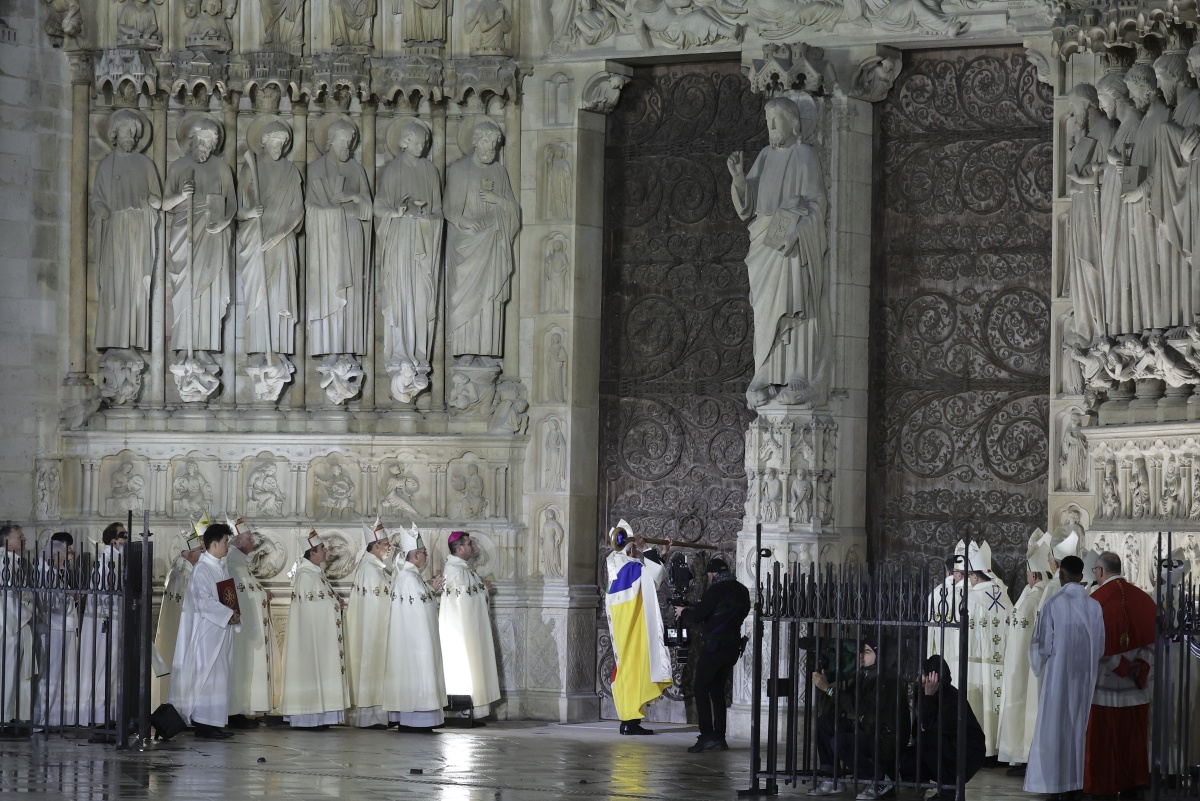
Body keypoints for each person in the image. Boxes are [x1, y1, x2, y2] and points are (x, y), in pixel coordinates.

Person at [728, 94, 829, 407]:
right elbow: (747, 208)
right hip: (764, 243)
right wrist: (740, 181)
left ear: (793, 123)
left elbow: (816, 202)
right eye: (768, 120)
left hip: (793, 242)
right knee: (766, 305)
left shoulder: (805, 154)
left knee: (797, 302)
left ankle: (800, 371)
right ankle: (765, 372)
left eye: (777, 120)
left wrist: (798, 232)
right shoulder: (764, 156)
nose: (771, 126)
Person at [1024, 555, 1105, 800]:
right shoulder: (1094, 606)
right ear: (1082, 578)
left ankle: (1056, 783)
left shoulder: (1053, 604)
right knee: (1080, 728)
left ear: (1061, 576)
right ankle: (1078, 781)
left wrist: (1038, 663)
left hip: (1059, 679)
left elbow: (1041, 646)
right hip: (1085, 679)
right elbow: (1100, 646)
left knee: (1056, 728)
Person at [444, 120, 520, 361]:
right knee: (463, 295)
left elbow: (513, 210)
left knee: (490, 295)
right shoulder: (459, 170)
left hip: (493, 242)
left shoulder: (499, 171)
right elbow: (449, 208)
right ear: (476, 142)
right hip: (467, 243)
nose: (492, 148)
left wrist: (497, 199)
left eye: (495, 144)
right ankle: (464, 351)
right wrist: (465, 222)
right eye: (487, 142)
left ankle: (486, 349)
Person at [1084, 551, 1157, 798]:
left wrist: (1121, 665)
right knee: (1132, 742)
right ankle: (1134, 784)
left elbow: (1094, 644)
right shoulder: (1145, 600)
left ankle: (1101, 785)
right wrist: (1139, 667)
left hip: (1104, 687)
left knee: (1103, 743)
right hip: (1135, 689)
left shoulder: (1095, 600)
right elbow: (1154, 641)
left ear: (1101, 572)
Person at [807, 638, 908, 800]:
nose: (861, 656)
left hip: (884, 738)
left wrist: (828, 689)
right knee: (825, 723)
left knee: (841, 742)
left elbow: (859, 707)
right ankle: (832, 779)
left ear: (879, 656)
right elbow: (838, 707)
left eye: (867, 652)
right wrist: (826, 686)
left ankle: (879, 780)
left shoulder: (887, 678)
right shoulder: (865, 674)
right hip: (868, 729)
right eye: (860, 651)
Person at [169, 522, 240, 739]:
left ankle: (214, 722)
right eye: (226, 542)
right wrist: (228, 615)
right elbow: (203, 601)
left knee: (220, 676)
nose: (228, 546)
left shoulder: (221, 566)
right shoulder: (202, 569)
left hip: (221, 630)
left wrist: (234, 613)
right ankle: (203, 724)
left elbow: (227, 597)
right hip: (208, 632)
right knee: (207, 676)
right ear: (215, 544)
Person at [674, 556, 750, 753]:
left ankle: (706, 735)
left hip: (714, 647)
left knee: (700, 688)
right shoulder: (741, 589)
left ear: (713, 573)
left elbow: (698, 617)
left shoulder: (716, 589)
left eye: (709, 574)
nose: (708, 577)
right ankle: (719, 737)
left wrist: (683, 612)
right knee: (717, 690)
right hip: (732, 647)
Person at [604, 520, 672, 736]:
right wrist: (647, 549)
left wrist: (660, 553)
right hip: (634, 627)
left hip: (623, 627)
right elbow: (654, 577)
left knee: (627, 668)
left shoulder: (615, 565)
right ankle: (629, 721)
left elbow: (650, 574)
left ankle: (630, 720)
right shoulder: (631, 567)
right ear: (631, 547)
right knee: (634, 670)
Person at [279, 530, 349, 729]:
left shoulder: (317, 574)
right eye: (321, 548)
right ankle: (309, 718)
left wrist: (336, 602)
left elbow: (323, 602)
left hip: (319, 638)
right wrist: (335, 605)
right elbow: (309, 610)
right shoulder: (305, 576)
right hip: (310, 641)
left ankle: (322, 718)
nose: (325, 550)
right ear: (312, 553)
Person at [996, 530, 1051, 775]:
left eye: (1029, 572)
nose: (1026, 576)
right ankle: (1018, 754)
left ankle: (1025, 754)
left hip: (1025, 665)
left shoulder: (1034, 597)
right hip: (1019, 664)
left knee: (1027, 707)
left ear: (1035, 574)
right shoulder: (1033, 595)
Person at [383, 525, 447, 730]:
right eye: (424, 554)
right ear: (416, 556)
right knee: (418, 674)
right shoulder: (409, 578)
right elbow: (421, 608)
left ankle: (414, 720)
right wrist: (432, 590)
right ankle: (416, 720)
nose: (426, 557)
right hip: (416, 643)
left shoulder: (407, 576)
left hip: (409, 641)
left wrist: (429, 588)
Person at [897, 655, 986, 801]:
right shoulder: (930, 694)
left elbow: (931, 726)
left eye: (924, 674)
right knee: (908, 755)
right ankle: (921, 783)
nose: (919, 678)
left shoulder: (951, 698)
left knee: (926, 741)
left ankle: (948, 792)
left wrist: (927, 696)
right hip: (947, 748)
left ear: (933, 677)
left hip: (966, 754)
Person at [439, 531, 500, 720]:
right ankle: (462, 707)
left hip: (470, 628)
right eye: (468, 544)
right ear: (459, 548)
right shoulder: (454, 571)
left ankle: (475, 707)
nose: (472, 547)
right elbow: (462, 600)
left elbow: (471, 594)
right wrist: (482, 589)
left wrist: (483, 589)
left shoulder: (464, 570)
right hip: (460, 630)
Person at [224, 518, 275, 726]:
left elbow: (249, 591)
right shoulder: (232, 564)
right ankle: (233, 713)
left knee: (244, 668)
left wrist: (263, 593)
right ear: (236, 541)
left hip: (245, 630)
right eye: (248, 537)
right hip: (238, 629)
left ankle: (240, 710)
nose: (253, 540)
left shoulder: (241, 563)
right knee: (237, 668)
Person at [963, 542, 1011, 759]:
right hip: (1001, 662)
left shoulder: (972, 598)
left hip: (977, 663)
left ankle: (981, 750)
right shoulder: (1003, 595)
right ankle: (998, 748)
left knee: (979, 706)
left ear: (974, 577)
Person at [79, 522, 127, 729]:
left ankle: (110, 714)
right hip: (105, 623)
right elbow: (101, 596)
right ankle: (99, 716)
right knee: (102, 667)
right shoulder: (106, 562)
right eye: (123, 535)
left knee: (112, 670)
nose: (127, 539)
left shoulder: (117, 560)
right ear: (114, 541)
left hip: (113, 621)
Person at [345, 522, 393, 728]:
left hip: (376, 629)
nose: (389, 547)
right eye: (385, 544)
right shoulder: (371, 571)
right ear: (374, 546)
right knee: (373, 664)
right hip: (375, 631)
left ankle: (377, 715)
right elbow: (379, 607)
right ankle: (371, 716)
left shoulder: (373, 568)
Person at [34, 533, 78, 727]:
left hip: (65, 628)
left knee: (63, 676)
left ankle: (58, 718)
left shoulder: (57, 571)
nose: (70, 556)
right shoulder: (44, 571)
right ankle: (43, 720)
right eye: (67, 552)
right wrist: (70, 597)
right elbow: (48, 602)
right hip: (54, 628)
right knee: (50, 676)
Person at [154, 530, 202, 706]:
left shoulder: (179, 568)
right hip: (182, 630)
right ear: (189, 553)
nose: (203, 555)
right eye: (200, 551)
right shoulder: (184, 572)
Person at [1, 523, 32, 731]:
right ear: (6, 541)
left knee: (14, 673)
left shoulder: (15, 561)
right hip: (9, 624)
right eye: (19, 537)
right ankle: (4, 717)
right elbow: (7, 597)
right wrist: (28, 611)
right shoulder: (4, 561)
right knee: (7, 671)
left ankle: (11, 716)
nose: (23, 540)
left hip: (15, 622)